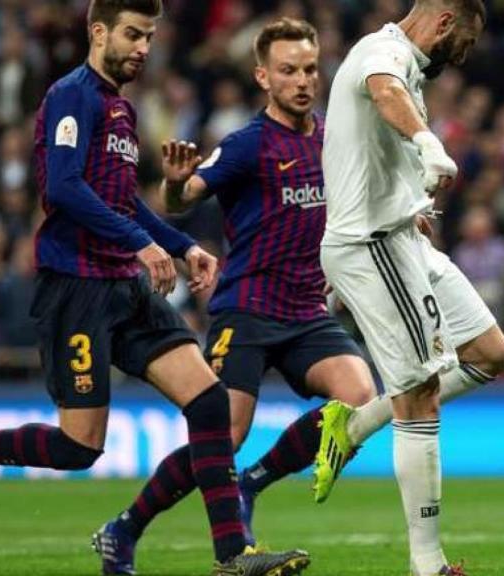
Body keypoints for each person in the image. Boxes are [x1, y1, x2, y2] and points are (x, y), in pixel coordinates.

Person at [0, 2, 309, 575]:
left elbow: (124, 201)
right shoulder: (73, 95)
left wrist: (181, 244)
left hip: (124, 284)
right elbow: (63, 188)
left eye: (150, 37)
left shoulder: (120, 109)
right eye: (133, 34)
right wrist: (143, 244)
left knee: (210, 401)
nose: (143, 47)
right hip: (76, 288)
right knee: (79, 447)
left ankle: (233, 555)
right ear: (98, 32)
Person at [90, 18, 377, 575]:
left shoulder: (334, 138)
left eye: (310, 69)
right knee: (224, 434)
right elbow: (182, 198)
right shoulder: (247, 144)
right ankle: (123, 530)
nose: (302, 80)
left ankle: (253, 483)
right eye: (289, 70)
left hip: (306, 311)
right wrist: (175, 182)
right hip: (246, 307)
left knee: (361, 401)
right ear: (263, 76)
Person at [317, 1, 504, 575]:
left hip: (405, 236)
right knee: (420, 391)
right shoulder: (384, 53)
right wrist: (429, 143)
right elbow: (383, 90)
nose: (464, 55)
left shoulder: (408, 63)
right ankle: (427, 565)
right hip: (370, 244)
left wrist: (410, 194)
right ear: (446, 23)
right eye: (466, 43)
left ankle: (356, 424)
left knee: (490, 354)